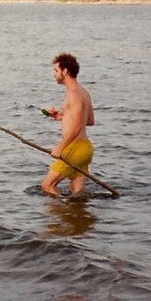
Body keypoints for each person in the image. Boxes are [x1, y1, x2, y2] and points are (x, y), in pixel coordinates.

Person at [40, 52, 95, 197]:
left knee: (47, 186)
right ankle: (76, 217)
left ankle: (61, 214)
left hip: (74, 149)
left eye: (56, 70)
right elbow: (89, 121)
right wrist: (63, 117)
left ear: (65, 71)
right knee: (77, 194)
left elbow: (77, 127)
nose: (54, 74)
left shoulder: (74, 94)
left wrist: (61, 147)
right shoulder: (84, 92)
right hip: (85, 149)